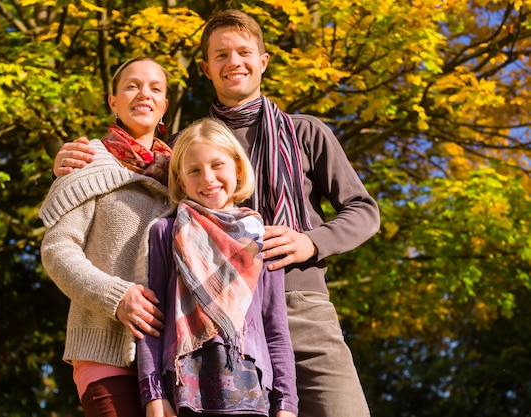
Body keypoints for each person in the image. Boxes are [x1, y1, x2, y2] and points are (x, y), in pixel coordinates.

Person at [52, 10, 380, 417]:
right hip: (211, 318)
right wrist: (72, 159)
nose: (234, 62)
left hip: (300, 305)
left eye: (244, 52)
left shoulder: (306, 133)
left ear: (263, 61)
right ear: (206, 68)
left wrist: (311, 241)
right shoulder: (183, 148)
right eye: (221, 55)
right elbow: (124, 175)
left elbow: (364, 210)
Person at [38, 56, 174, 417]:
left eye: (155, 88)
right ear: (113, 101)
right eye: (132, 85)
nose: (144, 94)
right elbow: (57, 250)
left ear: (164, 106)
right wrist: (116, 297)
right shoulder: (85, 161)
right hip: (104, 351)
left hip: (172, 358)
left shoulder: (186, 173)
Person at [138, 118, 298, 417]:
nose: (207, 178)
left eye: (217, 165)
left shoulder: (262, 238)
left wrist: (287, 405)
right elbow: (151, 322)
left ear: (237, 169)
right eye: (194, 171)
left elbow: (275, 328)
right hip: (185, 385)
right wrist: (153, 395)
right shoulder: (165, 232)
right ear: (181, 180)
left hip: (251, 387)